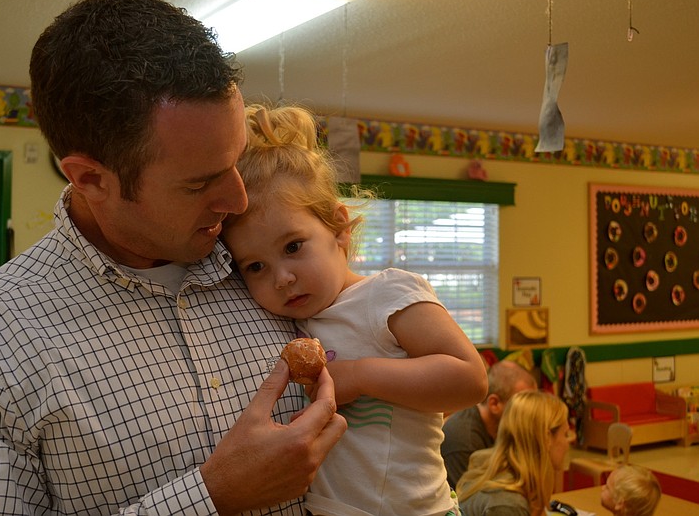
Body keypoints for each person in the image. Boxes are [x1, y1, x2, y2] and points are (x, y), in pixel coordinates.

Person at [0, 0, 347, 516]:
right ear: (91, 179)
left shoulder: (269, 264)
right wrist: (209, 498)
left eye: (236, 161)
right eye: (200, 183)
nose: (238, 200)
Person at [220, 104, 488, 515]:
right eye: (256, 266)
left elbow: (470, 379)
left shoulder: (387, 293)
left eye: (293, 247)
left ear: (338, 227)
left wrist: (362, 375)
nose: (282, 278)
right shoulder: (291, 322)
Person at [455, 390, 573, 516]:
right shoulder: (507, 504)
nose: (568, 443)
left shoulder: (506, 475)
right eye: (565, 434)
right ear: (546, 438)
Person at [441, 360, 538, 489]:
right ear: (494, 404)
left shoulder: (506, 427)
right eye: (522, 405)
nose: (532, 413)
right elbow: (467, 502)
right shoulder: (463, 439)